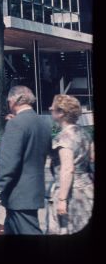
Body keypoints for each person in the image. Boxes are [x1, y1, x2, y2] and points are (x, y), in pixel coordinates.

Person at [0, 86, 52, 235]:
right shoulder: (43, 123)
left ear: (13, 100)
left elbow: (8, 162)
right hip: (32, 190)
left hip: (19, 194)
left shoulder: (16, 124)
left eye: (8, 101)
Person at [45, 94, 94, 234]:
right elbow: (91, 159)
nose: (50, 109)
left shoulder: (64, 138)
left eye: (52, 108)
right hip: (87, 189)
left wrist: (62, 199)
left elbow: (67, 169)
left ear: (61, 113)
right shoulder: (84, 133)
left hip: (71, 192)